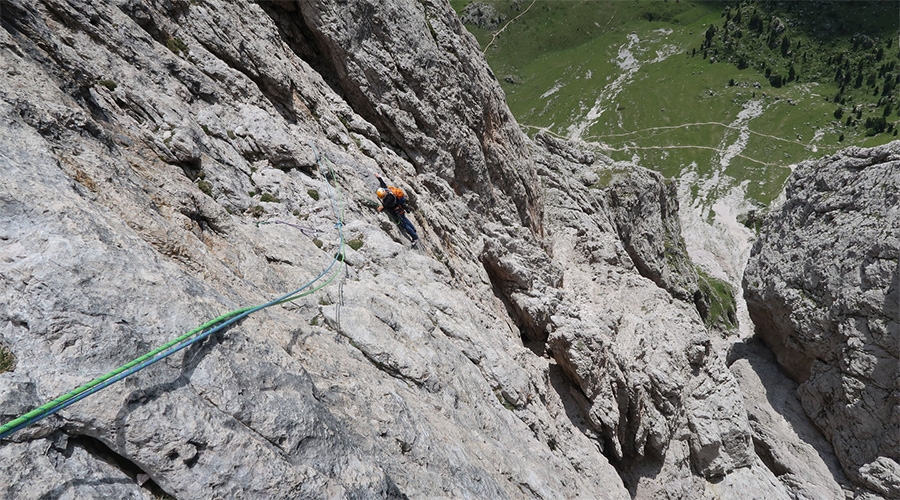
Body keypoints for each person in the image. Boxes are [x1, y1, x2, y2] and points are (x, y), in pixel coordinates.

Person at [375, 173, 419, 244]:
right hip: (399, 208)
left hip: (397, 210)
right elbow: (382, 183)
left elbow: (385, 205)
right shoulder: (386, 189)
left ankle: (415, 237)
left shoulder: (389, 197)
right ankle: (413, 229)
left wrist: (381, 207)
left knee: (404, 225)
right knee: (405, 218)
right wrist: (379, 177)